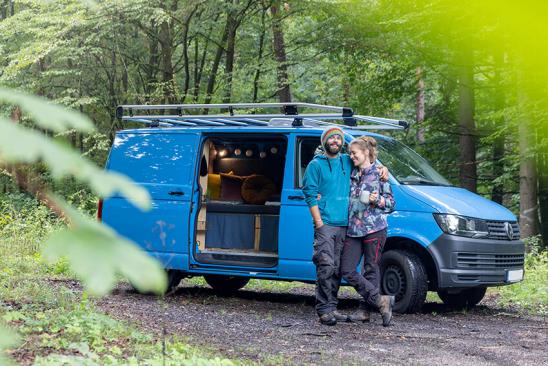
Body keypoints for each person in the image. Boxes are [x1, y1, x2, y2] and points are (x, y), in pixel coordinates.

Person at [302, 127, 388, 326]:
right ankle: (324, 310)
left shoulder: (346, 161)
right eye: (330, 138)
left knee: (339, 270)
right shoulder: (315, 165)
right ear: (324, 142)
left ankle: (332, 308)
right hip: (326, 224)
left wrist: (384, 170)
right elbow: (309, 195)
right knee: (325, 266)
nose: (335, 141)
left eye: (338, 138)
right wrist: (319, 223)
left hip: (345, 226)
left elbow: (367, 163)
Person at [341, 136, 396, 327]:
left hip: (375, 228)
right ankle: (382, 301)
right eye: (350, 153)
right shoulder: (350, 172)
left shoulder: (380, 174)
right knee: (346, 269)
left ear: (365, 153)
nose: (351, 156)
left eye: (354, 153)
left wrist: (376, 200)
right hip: (354, 229)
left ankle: (364, 311)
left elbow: (390, 204)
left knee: (371, 269)